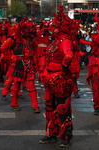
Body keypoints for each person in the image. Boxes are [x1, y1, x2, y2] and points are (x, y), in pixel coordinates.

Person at [39, 4, 75, 147]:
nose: (51, 27)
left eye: (54, 25)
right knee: (50, 107)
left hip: (60, 80)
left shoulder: (65, 40)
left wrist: (63, 69)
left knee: (62, 108)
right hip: (50, 79)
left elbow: (69, 55)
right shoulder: (55, 40)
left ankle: (65, 136)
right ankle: (51, 133)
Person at [0, 18, 40, 113]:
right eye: (27, 29)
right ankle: (14, 104)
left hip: (29, 64)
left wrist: (32, 56)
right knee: (16, 84)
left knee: (31, 85)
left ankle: (35, 106)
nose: (29, 31)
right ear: (22, 29)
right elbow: (3, 48)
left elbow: (35, 47)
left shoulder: (31, 39)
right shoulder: (13, 38)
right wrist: (11, 57)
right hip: (18, 63)